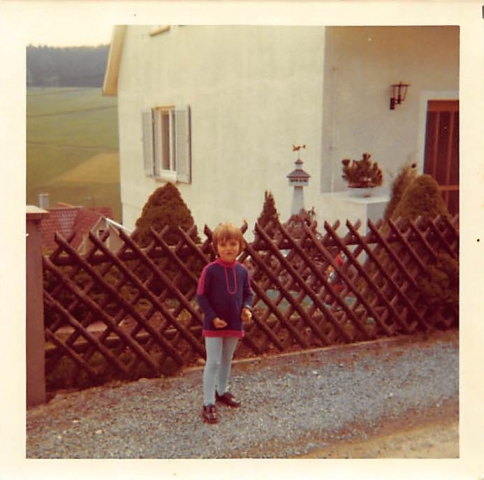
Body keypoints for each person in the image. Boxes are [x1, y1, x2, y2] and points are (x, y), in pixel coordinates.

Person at [196, 223, 254, 424]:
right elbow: (201, 296)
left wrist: (247, 308)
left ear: (240, 245)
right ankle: (208, 402)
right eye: (223, 244)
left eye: (233, 244)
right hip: (214, 325)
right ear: (216, 247)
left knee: (227, 359)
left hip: (234, 323)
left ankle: (221, 390)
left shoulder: (242, 271)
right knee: (213, 361)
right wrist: (212, 317)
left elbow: (248, 293)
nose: (228, 248)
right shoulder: (210, 270)